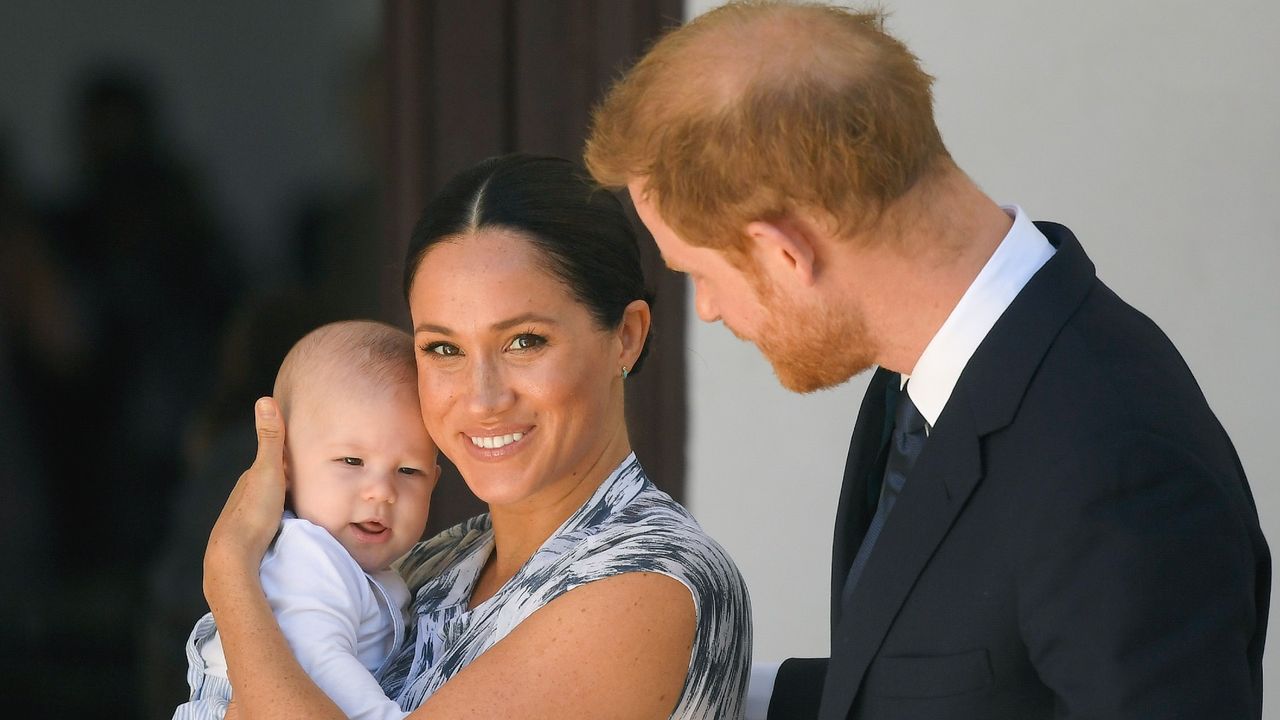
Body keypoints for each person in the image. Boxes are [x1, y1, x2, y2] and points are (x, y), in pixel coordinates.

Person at [584, 2, 1269, 719]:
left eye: (700, 272)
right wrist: (689, 694)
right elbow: (955, 686)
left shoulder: (1118, 466)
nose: (708, 309)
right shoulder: (926, 375)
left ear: (785, 253)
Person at [201, 154, 752, 719]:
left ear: (626, 338)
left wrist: (229, 568)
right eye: (444, 349)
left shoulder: (646, 581)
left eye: (525, 342)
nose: (483, 399)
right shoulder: (437, 563)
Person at [176, 320, 439, 720]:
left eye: (408, 471)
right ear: (285, 465)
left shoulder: (361, 566)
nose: (381, 491)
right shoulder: (308, 557)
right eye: (352, 461)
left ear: (434, 482)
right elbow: (319, 664)